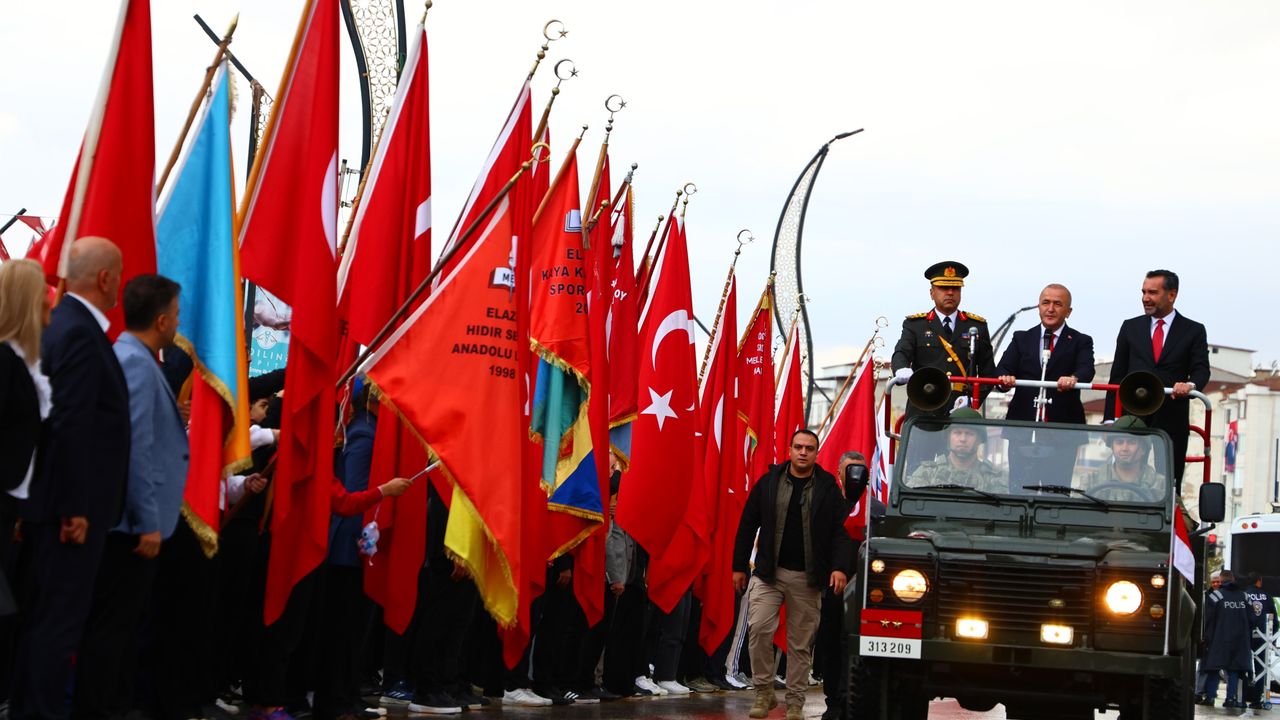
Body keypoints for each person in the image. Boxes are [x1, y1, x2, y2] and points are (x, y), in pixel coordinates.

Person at [12, 237, 130, 720]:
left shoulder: (64, 325)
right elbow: (71, 424)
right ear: (105, 278)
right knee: (57, 625)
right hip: (71, 513)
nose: (121, 284)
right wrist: (76, 507)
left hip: (58, 504)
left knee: (46, 623)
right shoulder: (80, 333)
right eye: (118, 274)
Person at [74, 274, 189, 718]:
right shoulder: (136, 364)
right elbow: (134, 447)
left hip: (129, 523)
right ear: (160, 321)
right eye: (176, 315)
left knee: (121, 630)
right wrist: (147, 521)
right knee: (111, 632)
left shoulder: (136, 360)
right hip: (130, 527)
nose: (178, 322)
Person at [733, 429, 854, 720]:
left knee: (800, 645)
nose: (803, 452)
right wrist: (738, 566)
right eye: (798, 447)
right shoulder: (769, 481)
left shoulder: (827, 487)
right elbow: (748, 522)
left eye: (809, 448)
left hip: (807, 578)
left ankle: (795, 702)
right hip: (768, 574)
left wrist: (839, 567)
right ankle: (763, 692)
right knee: (758, 629)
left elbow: (840, 531)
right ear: (789, 449)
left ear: (816, 453)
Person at [1105, 269, 1210, 487]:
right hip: (1132, 415)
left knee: (1170, 479)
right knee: (1126, 478)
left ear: (1172, 295)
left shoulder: (1194, 330)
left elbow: (1201, 369)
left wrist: (1189, 386)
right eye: (1143, 292)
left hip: (1172, 414)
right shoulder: (1130, 327)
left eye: (1152, 292)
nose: (1145, 298)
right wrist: (1110, 419)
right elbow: (1117, 375)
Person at [995, 284, 1095, 485]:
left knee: (1056, 492)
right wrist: (1005, 380)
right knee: (1019, 490)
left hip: (1062, 431)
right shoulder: (1021, 338)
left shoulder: (1080, 340)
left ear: (1068, 311)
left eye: (1057, 304)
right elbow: (1003, 369)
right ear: (1039, 307)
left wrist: (1073, 378)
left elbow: (1087, 370)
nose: (1050, 309)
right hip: (1023, 428)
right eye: (1045, 303)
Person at [891, 261, 996, 420]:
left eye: (955, 288)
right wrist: (901, 369)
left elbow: (987, 373)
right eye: (943, 288)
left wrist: (972, 399)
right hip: (924, 402)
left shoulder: (977, 326)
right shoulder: (915, 325)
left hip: (960, 409)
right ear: (932, 293)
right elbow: (901, 352)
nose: (950, 293)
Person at [0, 259, 52, 577]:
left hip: (12, 504)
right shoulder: (4, 361)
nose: (50, 301)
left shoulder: (24, 363)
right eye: (43, 294)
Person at [817, 451, 867, 720]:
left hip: (866, 590)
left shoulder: (874, 507)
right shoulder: (828, 503)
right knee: (831, 644)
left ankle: (853, 701)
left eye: (860, 471)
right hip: (833, 586)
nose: (855, 476)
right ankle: (834, 702)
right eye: (849, 470)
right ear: (838, 473)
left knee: (857, 647)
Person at [906, 409, 1007, 493]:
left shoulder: (994, 477)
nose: (963, 439)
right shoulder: (927, 473)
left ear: (980, 439)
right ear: (948, 437)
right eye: (957, 433)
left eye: (969, 433)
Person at [1080, 416, 1165, 501]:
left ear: (1143, 449)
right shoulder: (1091, 481)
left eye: (1131, 442)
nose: (1124, 448)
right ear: (1112, 447)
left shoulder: (1160, 485)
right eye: (1119, 442)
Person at [1202, 570, 1252, 709]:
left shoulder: (1216, 595)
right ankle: (1231, 699)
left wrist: (1207, 638)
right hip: (1240, 640)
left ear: (1221, 580)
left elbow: (1208, 619)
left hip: (1219, 638)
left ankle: (1210, 697)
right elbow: (1252, 619)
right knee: (1234, 670)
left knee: (1215, 668)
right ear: (1233, 579)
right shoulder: (1244, 596)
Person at [1242, 572, 1276, 709]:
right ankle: (1257, 700)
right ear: (1259, 582)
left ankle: (1241, 698)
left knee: (1242, 666)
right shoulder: (1267, 597)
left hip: (1245, 636)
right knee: (1261, 668)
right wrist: (1273, 639)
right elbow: (1274, 619)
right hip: (1263, 637)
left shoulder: (1243, 595)